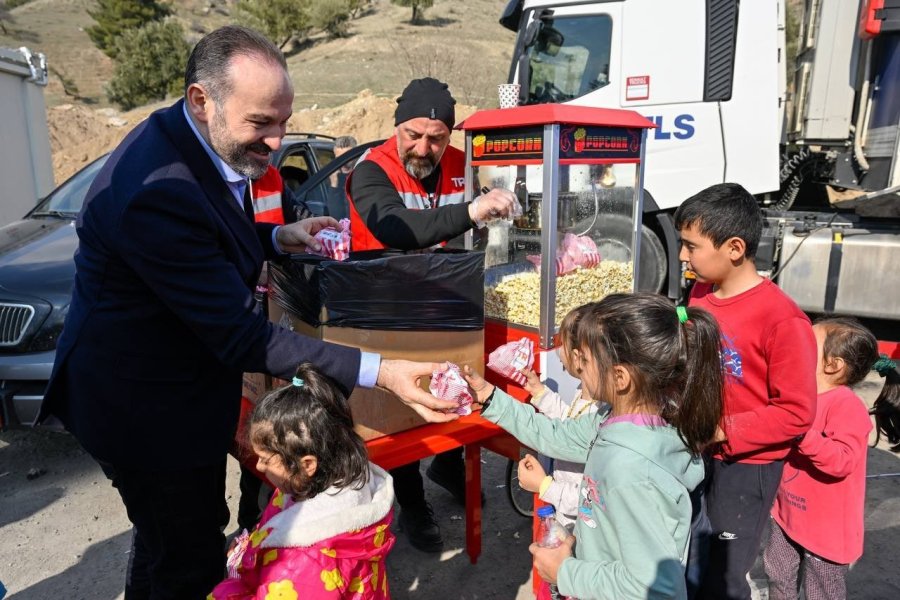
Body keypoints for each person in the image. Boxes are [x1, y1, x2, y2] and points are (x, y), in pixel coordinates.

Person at [37, 26, 455, 599]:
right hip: (144, 409)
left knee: (165, 545)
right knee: (187, 561)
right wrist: (381, 370)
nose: (278, 142)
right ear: (201, 100)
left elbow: (212, 234)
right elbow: (240, 338)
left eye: (284, 121)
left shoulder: (190, 138)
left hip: (169, 388)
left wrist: (278, 235)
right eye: (262, 124)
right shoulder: (156, 190)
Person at [346, 77, 519, 552]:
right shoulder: (371, 170)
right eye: (413, 135)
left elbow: (496, 202)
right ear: (396, 126)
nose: (423, 148)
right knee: (399, 412)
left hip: (447, 304)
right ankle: (413, 503)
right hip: (384, 311)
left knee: (464, 388)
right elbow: (397, 228)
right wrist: (474, 210)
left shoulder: (464, 166)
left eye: (437, 138)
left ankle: (448, 465)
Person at [463, 293, 725, 599]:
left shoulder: (631, 471)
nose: (577, 368)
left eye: (584, 360)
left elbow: (658, 590)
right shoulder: (624, 420)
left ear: (620, 377)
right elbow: (555, 435)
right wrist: (490, 397)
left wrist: (566, 573)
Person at [675, 183, 818, 600]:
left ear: (734, 247)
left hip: (746, 468)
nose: (683, 256)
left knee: (720, 576)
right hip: (700, 449)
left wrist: (720, 429)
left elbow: (795, 413)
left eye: (691, 246)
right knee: (689, 556)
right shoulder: (701, 293)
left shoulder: (782, 320)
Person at [210, 364, 396, 599]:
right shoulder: (313, 485)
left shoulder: (304, 563)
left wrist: (232, 587)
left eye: (266, 460)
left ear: (307, 464)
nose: (258, 467)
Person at [764, 317, 891, 600]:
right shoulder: (799, 395)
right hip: (786, 515)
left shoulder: (847, 407)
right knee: (777, 575)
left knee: (821, 592)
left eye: (807, 345)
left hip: (826, 531)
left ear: (832, 364)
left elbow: (842, 461)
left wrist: (802, 434)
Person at [326, 135, 358, 220]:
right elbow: (334, 215)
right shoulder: (329, 176)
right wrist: (334, 186)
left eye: (346, 157)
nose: (343, 162)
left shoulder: (362, 173)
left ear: (355, 155)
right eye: (339, 158)